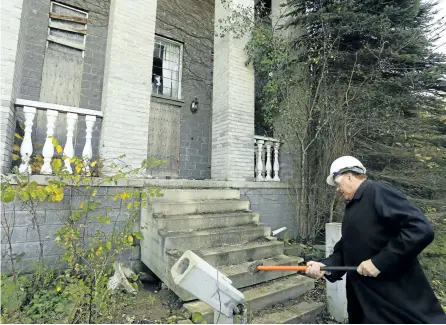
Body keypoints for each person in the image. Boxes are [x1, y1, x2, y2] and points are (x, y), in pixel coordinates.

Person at [305, 156, 446, 324]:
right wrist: (325, 267)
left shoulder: (378, 191)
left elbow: (420, 229)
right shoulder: (353, 206)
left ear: (350, 176)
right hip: (365, 303)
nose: (337, 189)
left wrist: (379, 262)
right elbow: (347, 247)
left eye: (337, 183)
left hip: (395, 298)